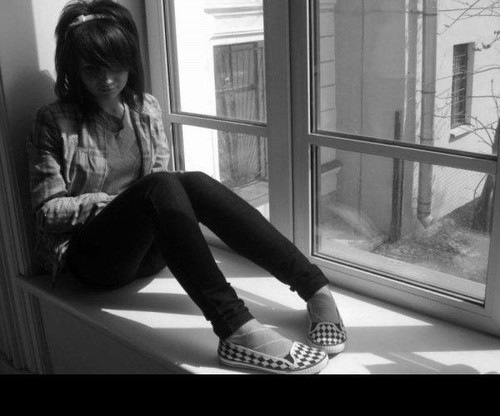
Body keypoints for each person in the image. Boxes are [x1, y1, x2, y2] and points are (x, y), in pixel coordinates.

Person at [26, 0, 347, 375]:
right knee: (161, 185)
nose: (107, 79)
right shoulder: (54, 121)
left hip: (150, 254)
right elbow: (46, 212)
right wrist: (115, 203)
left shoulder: (145, 108)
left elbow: (162, 186)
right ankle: (236, 330)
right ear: (74, 69)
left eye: (116, 65)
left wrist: (150, 198)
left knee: (190, 181)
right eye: (92, 68)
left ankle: (314, 288)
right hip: (96, 262)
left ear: (131, 62)